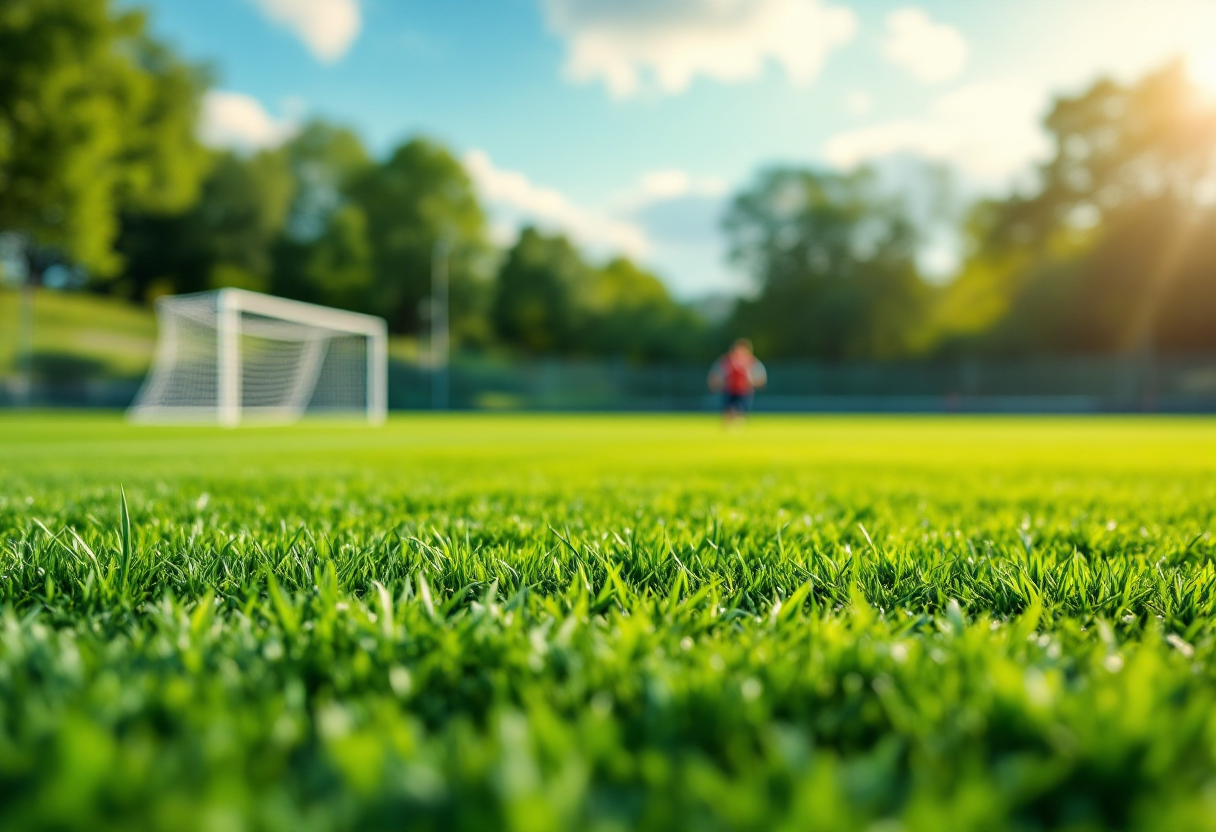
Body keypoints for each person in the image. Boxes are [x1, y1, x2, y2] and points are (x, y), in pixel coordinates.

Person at [708, 338, 767, 424]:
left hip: (744, 391)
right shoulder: (726, 361)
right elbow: (716, 375)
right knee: (728, 414)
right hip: (729, 391)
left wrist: (752, 382)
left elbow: (760, 378)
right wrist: (715, 384)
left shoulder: (752, 362)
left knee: (740, 415)